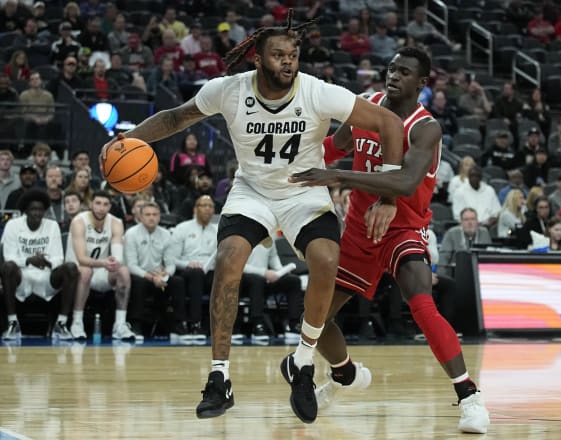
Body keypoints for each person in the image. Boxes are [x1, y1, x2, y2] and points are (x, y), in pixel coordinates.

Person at [99, 10, 405, 423]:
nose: (288, 62)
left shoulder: (317, 92)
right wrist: (128, 138)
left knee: (326, 261)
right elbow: (176, 117)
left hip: (303, 190)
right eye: (279, 55)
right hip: (253, 191)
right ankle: (219, 377)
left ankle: (302, 361)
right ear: (257, 58)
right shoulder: (227, 90)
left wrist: (388, 194)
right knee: (227, 261)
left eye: (293, 55)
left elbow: (387, 120)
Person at [288, 47, 490, 433]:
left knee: (422, 306)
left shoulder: (425, 127)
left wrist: (340, 178)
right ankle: (345, 373)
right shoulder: (367, 107)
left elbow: (406, 181)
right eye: (391, 68)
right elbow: (334, 147)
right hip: (360, 231)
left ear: (422, 82)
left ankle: (470, 398)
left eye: (404, 71)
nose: (393, 76)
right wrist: (293, 161)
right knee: (314, 317)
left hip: (404, 227)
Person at [1, 189, 79, 341]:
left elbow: (58, 258)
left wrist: (46, 262)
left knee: (70, 268)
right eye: (33, 209)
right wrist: (29, 260)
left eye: (40, 210)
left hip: (46, 276)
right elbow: (8, 257)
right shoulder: (12, 225)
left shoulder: (52, 226)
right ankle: (12, 323)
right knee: (7, 267)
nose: (37, 213)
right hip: (21, 277)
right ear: (25, 211)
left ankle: (61, 324)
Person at [65, 191, 136, 341]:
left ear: (110, 206)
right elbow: (82, 259)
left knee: (123, 271)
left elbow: (117, 254)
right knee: (86, 271)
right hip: (76, 270)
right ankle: (77, 322)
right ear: (91, 204)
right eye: (97, 203)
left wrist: (114, 261)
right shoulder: (79, 221)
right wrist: (104, 263)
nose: (101, 208)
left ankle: (120, 325)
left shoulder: (116, 222)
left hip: (101, 270)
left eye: (105, 204)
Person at [124, 201, 184, 341]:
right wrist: (151, 277)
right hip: (140, 275)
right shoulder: (131, 234)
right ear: (140, 216)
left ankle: (178, 325)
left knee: (177, 282)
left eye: (155, 214)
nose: (151, 218)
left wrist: (165, 275)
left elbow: (171, 264)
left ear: (159, 217)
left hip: (159, 277)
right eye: (148, 214)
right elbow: (131, 265)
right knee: (139, 282)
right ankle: (135, 324)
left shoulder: (166, 235)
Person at [167, 195, 217, 339]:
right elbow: (172, 258)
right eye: (204, 205)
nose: (208, 209)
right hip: (186, 270)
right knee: (195, 274)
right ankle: (195, 323)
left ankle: (222, 326)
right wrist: (188, 264)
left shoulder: (218, 230)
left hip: (209, 271)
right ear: (195, 209)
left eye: (211, 206)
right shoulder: (182, 228)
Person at [239, 236, 304, 345]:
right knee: (257, 280)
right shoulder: (242, 236)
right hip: (244, 281)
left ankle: (293, 324)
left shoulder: (269, 237)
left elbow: (274, 259)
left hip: (265, 279)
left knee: (293, 281)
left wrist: (281, 272)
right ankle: (257, 324)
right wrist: (263, 272)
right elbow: (239, 265)